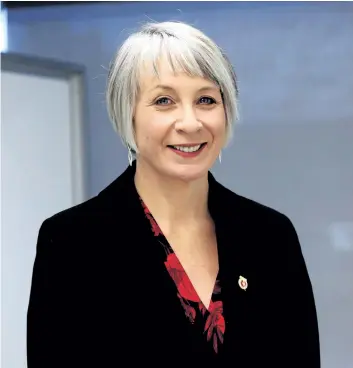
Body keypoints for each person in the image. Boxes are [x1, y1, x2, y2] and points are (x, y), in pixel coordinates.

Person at [27, 21, 320, 367]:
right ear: (128, 114)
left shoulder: (270, 236)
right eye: (164, 101)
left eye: (206, 100)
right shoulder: (71, 242)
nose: (190, 122)